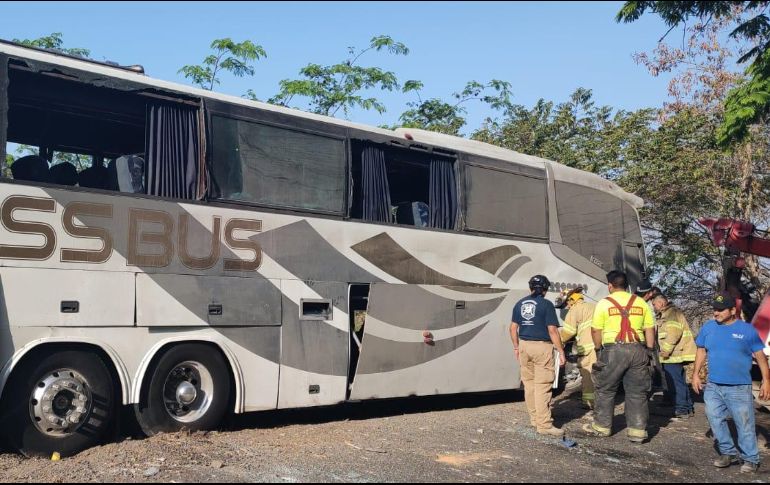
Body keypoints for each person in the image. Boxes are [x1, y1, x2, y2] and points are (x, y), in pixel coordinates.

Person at [692, 292, 770, 474]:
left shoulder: (747, 330)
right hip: (713, 385)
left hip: (739, 387)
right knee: (714, 418)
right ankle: (728, 452)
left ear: (733, 310)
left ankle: (751, 458)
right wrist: (696, 374)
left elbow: (760, 356)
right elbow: (701, 350)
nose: (716, 313)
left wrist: (766, 380)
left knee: (744, 423)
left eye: (720, 310)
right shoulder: (709, 327)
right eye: (714, 309)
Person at [587, 270, 656, 443]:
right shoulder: (641, 303)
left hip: (613, 350)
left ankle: (602, 427)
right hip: (638, 349)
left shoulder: (603, 304)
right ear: (627, 285)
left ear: (610, 285)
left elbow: (596, 330)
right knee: (637, 392)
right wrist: (649, 350)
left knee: (605, 389)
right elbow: (650, 329)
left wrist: (598, 349)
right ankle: (638, 431)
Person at [511, 275, 567, 437]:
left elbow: (512, 328)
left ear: (530, 288)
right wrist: (561, 351)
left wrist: (516, 347)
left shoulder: (520, 303)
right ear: (545, 289)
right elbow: (552, 330)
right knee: (543, 385)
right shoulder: (546, 304)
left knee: (529, 385)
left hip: (524, 346)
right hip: (541, 347)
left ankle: (535, 419)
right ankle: (544, 425)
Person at [652, 293, 696, 418]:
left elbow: (673, 334)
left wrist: (664, 351)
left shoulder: (670, 314)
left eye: (654, 305)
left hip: (673, 355)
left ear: (661, 303)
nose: (654, 307)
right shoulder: (672, 313)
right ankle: (687, 407)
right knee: (680, 382)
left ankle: (681, 409)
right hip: (676, 354)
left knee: (675, 383)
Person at [557, 286, 597, 409]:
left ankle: (590, 403)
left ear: (571, 300)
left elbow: (568, 332)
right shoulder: (594, 306)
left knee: (588, 375)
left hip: (588, 349)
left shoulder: (574, 310)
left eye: (567, 304)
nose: (567, 307)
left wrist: (558, 341)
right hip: (601, 347)